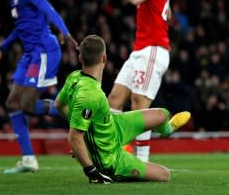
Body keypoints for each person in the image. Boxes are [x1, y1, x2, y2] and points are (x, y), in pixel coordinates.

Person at [54, 34, 191, 183]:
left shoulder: (74, 77)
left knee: (162, 114)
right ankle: (118, 169)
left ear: (80, 58)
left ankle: (167, 130)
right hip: (109, 156)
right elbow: (74, 137)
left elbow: (59, 105)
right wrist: (92, 172)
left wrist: (81, 129)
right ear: (104, 58)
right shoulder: (91, 95)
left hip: (114, 126)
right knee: (164, 174)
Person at [0, 0, 78, 174]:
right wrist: (5, 45)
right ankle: (28, 159)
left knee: (28, 105)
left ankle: (72, 111)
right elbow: (21, 27)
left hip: (44, 52)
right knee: (12, 103)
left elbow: (49, 10)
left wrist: (65, 32)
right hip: (30, 55)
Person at [102, 0, 175, 162]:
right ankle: (111, 151)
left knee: (139, 106)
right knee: (114, 99)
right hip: (142, 50)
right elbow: (168, 14)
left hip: (152, 50)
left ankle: (142, 162)